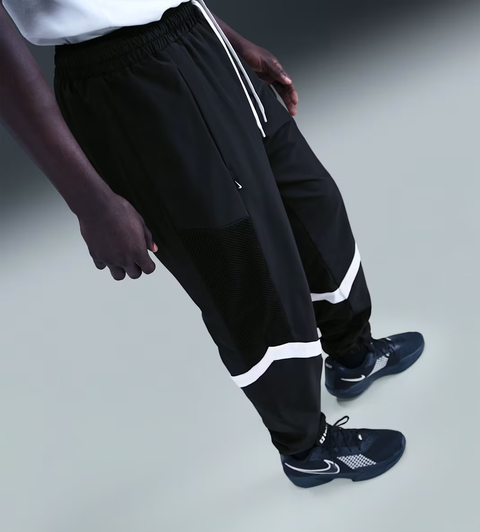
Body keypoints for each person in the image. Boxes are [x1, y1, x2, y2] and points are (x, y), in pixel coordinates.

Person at [0, 0, 425, 489]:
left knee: (310, 202)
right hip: (128, 82)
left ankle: (353, 354)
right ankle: (306, 447)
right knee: (242, 263)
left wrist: (228, 38)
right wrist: (90, 203)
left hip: (197, 34)